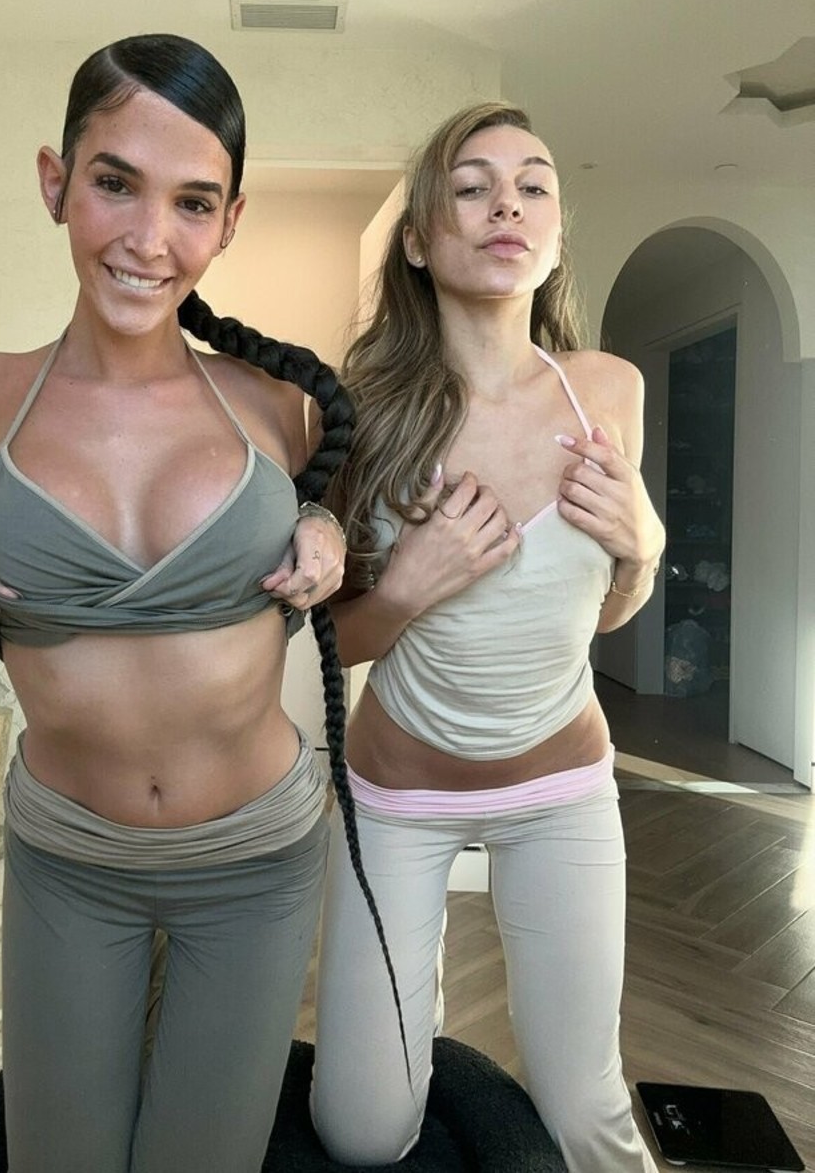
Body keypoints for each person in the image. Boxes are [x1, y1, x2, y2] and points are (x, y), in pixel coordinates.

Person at [0, 34, 395, 1173]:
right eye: (115, 182)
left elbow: (327, 553)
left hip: (258, 855)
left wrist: (326, 536)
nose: (148, 237)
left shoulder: (276, 403)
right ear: (55, 183)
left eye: (192, 203)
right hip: (67, 855)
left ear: (230, 224)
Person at [309, 101, 665, 1172]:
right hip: (397, 797)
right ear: (421, 238)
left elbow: (602, 612)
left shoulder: (606, 392)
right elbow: (329, 640)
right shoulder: (359, 411)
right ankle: (408, 1060)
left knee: (585, 1117)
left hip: (561, 790)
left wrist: (644, 548)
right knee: (364, 1131)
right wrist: (409, 587)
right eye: (472, 186)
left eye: (533, 184)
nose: (508, 203)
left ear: (553, 232)